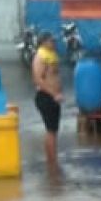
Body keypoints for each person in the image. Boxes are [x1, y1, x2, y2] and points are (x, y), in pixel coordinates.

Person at [32, 31, 63, 172]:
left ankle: (53, 159)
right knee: (50, 130)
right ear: (43, 42)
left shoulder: (51, 56)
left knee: (54, 130)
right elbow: (38, 80)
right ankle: (51, 162)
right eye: (51, 41)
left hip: (54, 97)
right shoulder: (40, 57)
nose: (54, 43)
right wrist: (53, 94)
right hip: (46, 96)